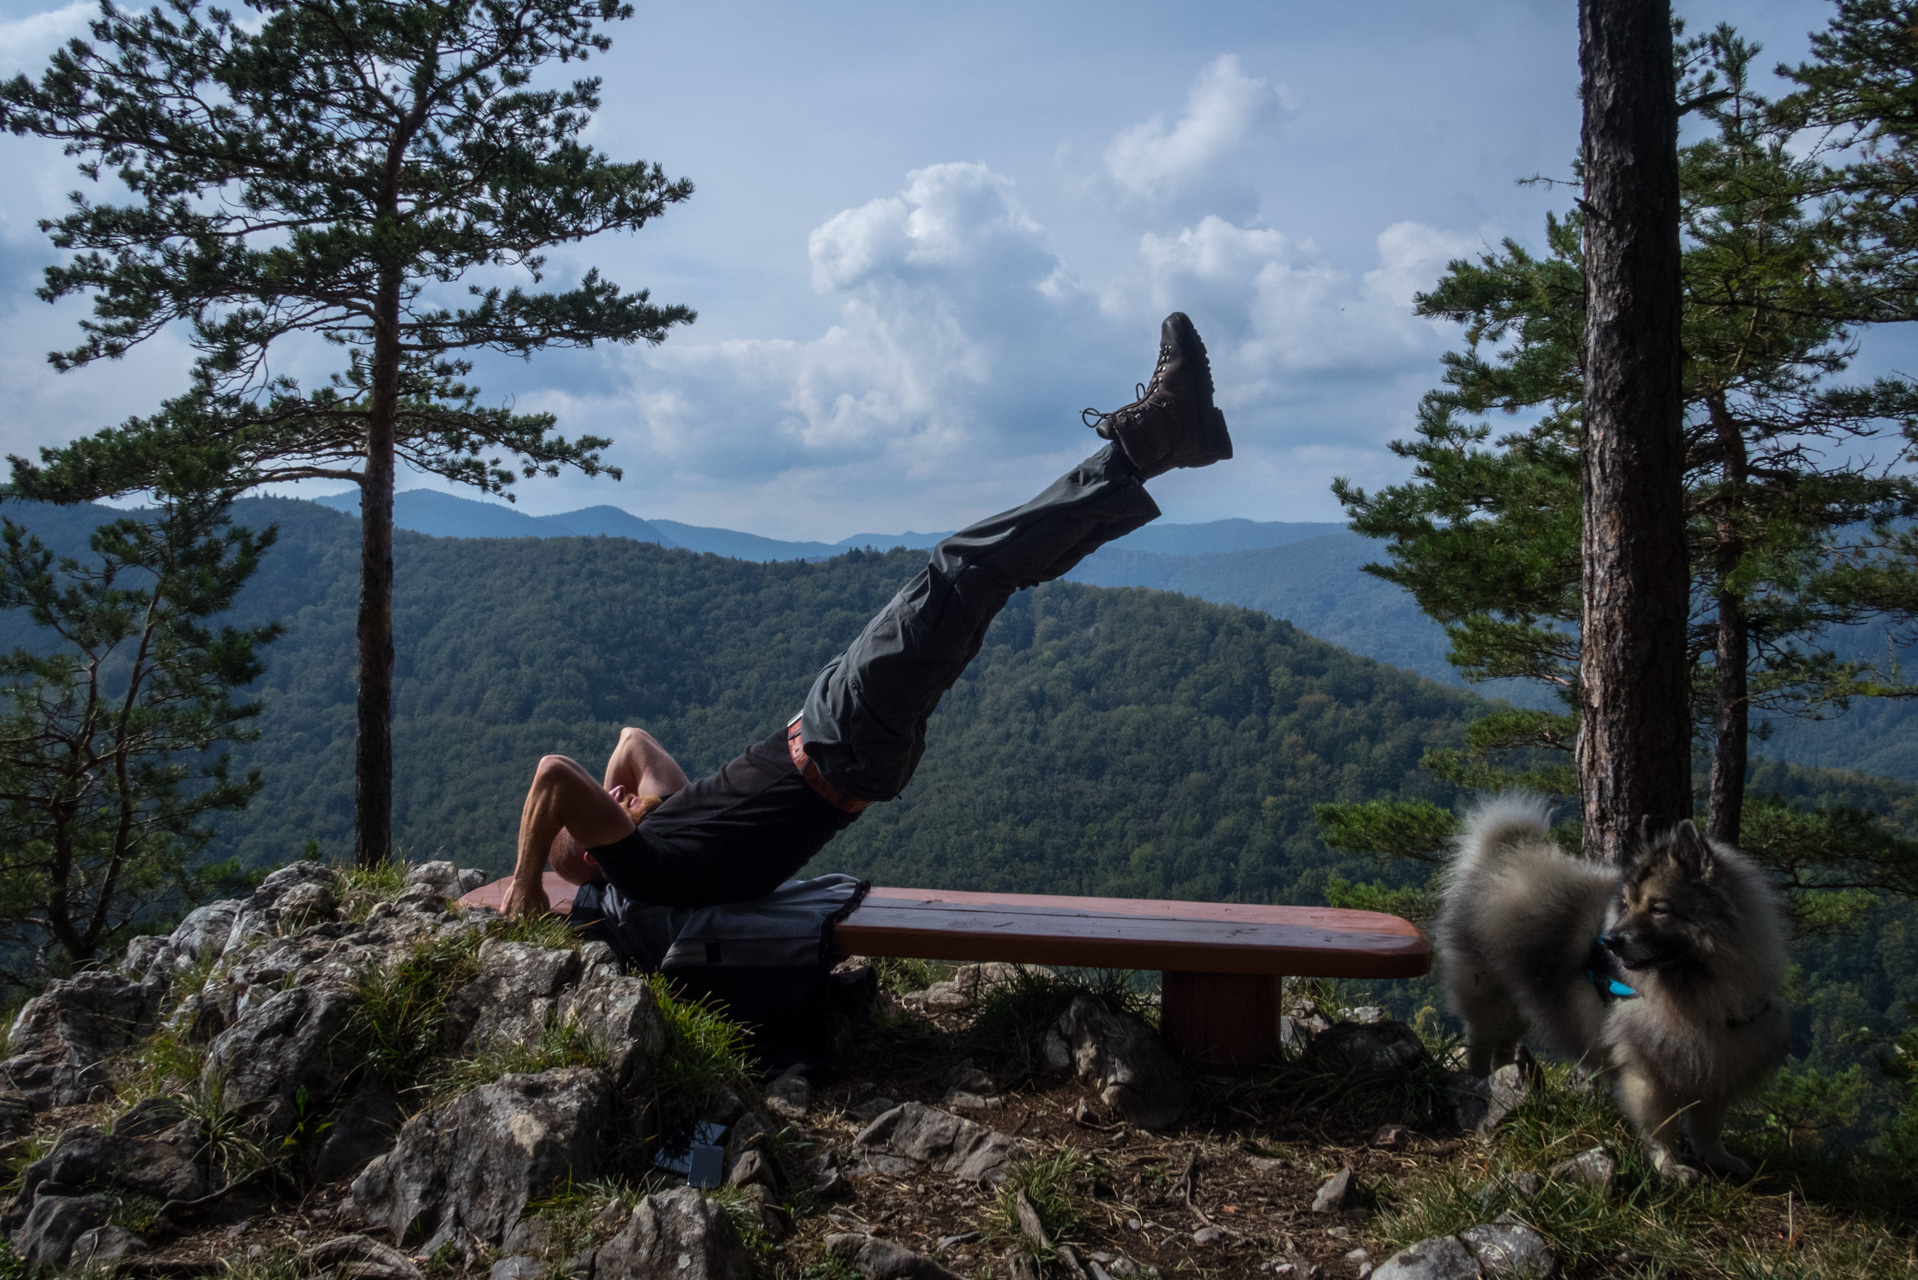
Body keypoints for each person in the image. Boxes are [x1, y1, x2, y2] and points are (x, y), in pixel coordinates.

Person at [502, 313, 1235, 918]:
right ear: (601, 852)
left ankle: (1160, 447)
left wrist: (627, 807)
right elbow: (556, 776)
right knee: (961, 566)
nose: (621, 792)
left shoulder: (663, 826)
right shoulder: (652, 869)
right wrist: (531, 880)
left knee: (984, 578)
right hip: (840, 740)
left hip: (840, 740)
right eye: (609, 810)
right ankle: (1154, 440)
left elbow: (631, 743)